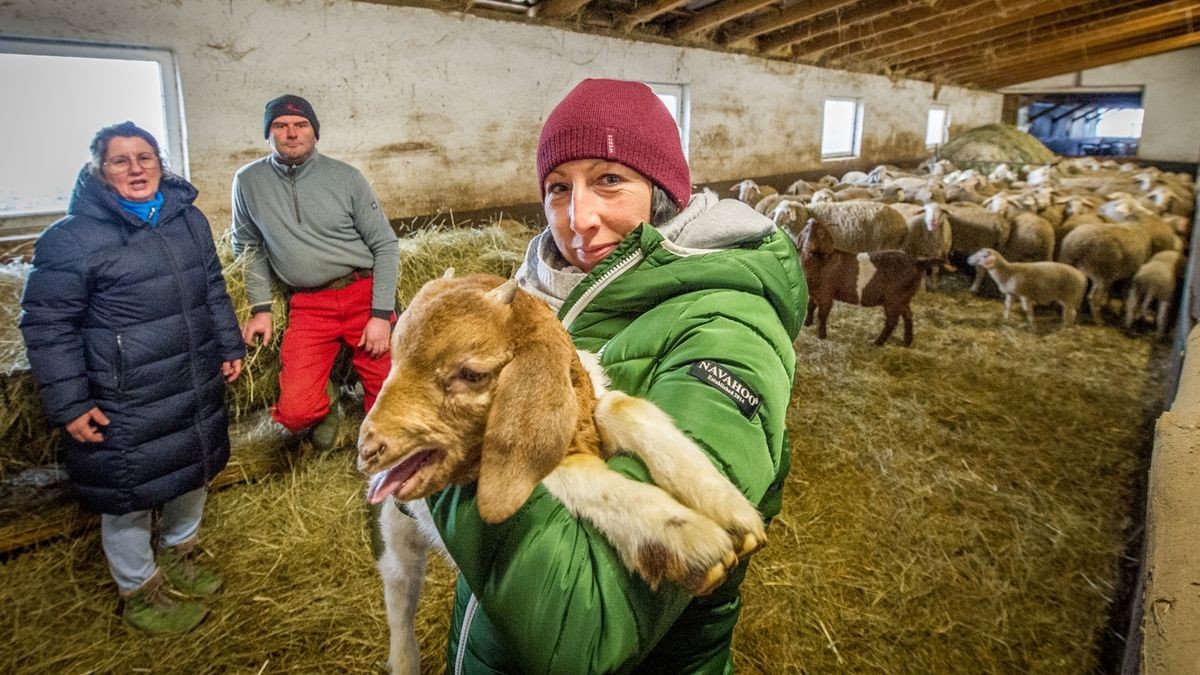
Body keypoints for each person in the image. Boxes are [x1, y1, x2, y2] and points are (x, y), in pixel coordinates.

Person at [424, 79, 807, 671]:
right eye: (558, 188)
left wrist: (440, 423)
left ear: (661, 192)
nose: (579, 219)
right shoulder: (527, 297)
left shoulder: (727, 329)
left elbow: (583, 625)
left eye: (609, 180)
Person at [19, 121, 246, 635]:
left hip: (190, 374)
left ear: (160, 163)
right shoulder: (71, 240)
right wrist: (72, 403)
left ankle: (181, 552)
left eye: (144, 157)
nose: (135, 168)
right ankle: (140, 589)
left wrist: (228, 344)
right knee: (129, 490)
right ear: (98, 170)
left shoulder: (187, 220)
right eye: (120, 160)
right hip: (124, 391)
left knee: (195, 464)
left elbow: (211, 287)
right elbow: (48, 326)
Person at [231, 94, 399, 450]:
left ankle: (378, 459)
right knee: (294, 413)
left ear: (314, 133)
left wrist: (381, 314)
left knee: (390, 401)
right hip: (308, 305)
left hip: (360, 294)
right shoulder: (248, 182)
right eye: (280, 126)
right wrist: (261, 308)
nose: (291, 133)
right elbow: (247, 248)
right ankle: (328, 399)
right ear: (268, 134)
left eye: (301, 125)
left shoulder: (347, 178)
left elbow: (385, 245)